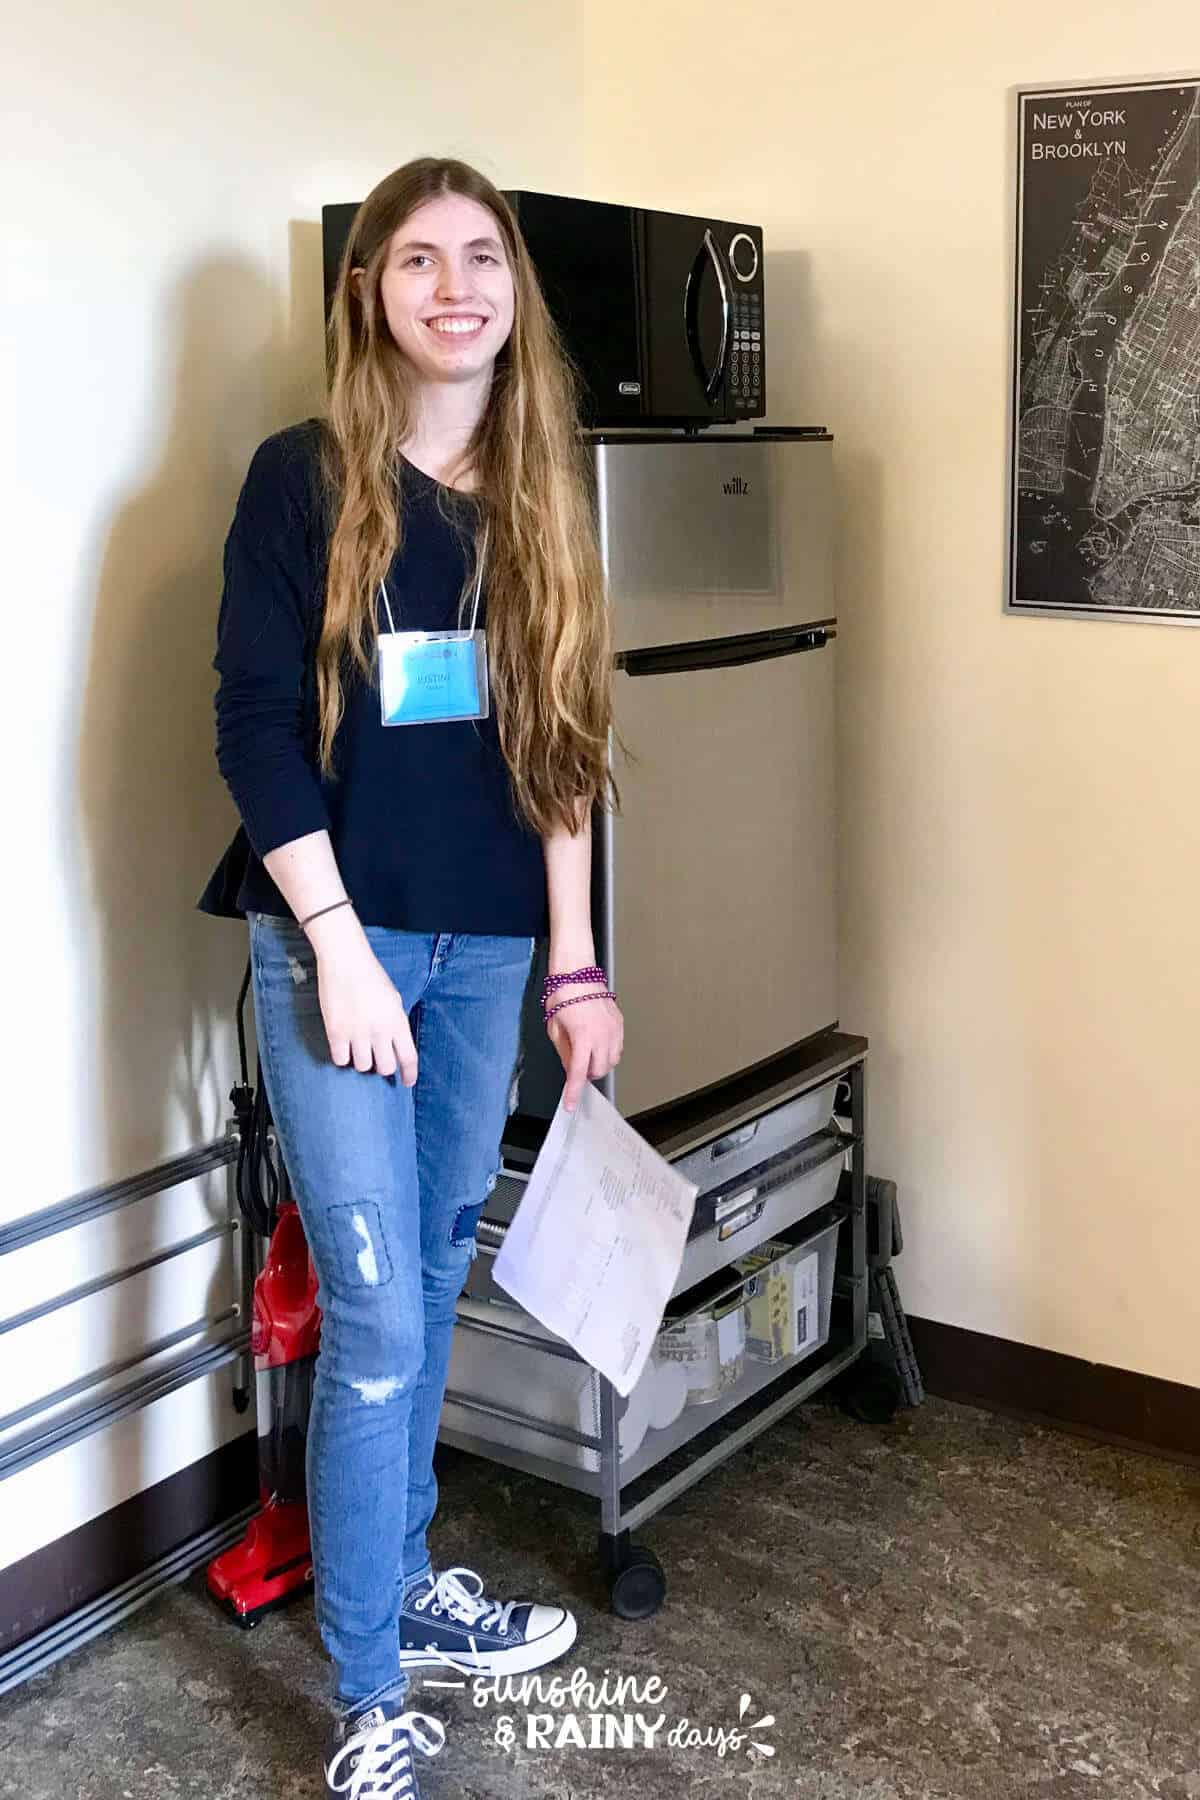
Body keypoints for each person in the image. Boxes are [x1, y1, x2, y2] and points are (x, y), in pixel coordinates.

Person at [199, 156, 623, 1799]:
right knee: (378, 1315)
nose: (458, 286)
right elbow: (251, 732)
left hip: (489, 949)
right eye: (422, 260)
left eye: (485, 259)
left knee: (433, 1277)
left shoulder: (540, 494)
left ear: (515, 291)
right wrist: (336, 945)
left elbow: (563, 745)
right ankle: (367, 1684)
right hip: (342, 949)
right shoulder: (299, 481)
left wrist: (575, 964)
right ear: (370, 288)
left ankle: (406, 1581)